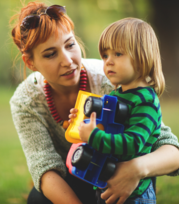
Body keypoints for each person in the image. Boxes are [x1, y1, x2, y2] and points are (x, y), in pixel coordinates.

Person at [9, 1, 179, 204]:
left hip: (121, 174)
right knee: (38, 200)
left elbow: (171, 150)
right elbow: (44, 167)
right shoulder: (25, 101)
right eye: (50, 54)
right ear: (30, 62)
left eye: (70, 45)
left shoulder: (111, 80)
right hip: (75, 178)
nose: (67, 60)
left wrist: (135, 170)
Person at [69, 18, 165, 203]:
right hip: (105, 182)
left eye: (118, 54)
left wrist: (94, 136)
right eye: (105, 56)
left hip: (133, 195)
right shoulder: (117, 93)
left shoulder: (145, 101)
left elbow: (133, 143)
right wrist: (83, 122)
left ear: (143, 56)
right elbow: (110, 128)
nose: (108, 62)